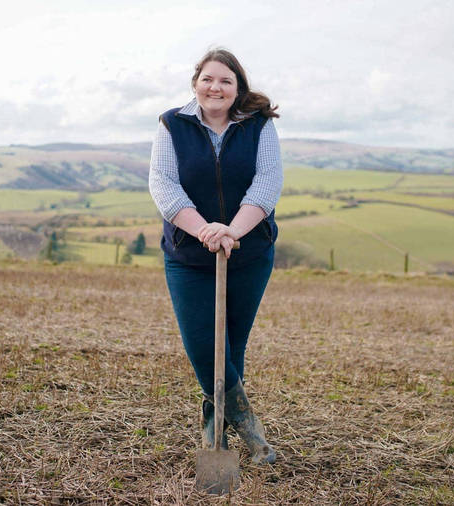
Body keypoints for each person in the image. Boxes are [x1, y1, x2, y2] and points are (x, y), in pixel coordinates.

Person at [148, 48, 282, 464]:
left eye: (225, 80)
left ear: (237, 87)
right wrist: (205, 230)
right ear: (195, 84)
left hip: (249, 253)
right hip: (189, 255)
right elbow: (164, 184)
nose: (215, 87)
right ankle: (250, 429)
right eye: (208, 79)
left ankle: (215, 436)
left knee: (231, 349)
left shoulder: (259, 126)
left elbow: (268, 182)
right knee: (204, 346)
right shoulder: (172, 125)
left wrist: (232, 231)